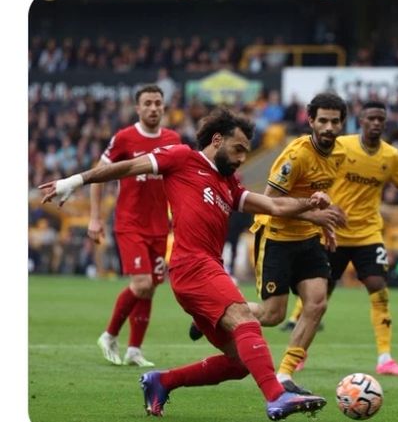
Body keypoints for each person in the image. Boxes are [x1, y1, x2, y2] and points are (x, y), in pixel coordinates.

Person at [39, 109, 330, 420]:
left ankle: (162, 381)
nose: (242, 158)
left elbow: (272, 204)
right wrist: (77, 180)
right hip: (193, 265)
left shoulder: (227, 184)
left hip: (201, 272)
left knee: (239, 363)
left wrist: (309, 205)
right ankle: (277, 395)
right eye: (238, 148)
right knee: (245, 317)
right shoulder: (182, 158)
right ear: (218, 140)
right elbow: (128, 167)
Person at [280, 101, 398, 376]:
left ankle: (385, 358)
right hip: (334, 232)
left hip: (368, 233)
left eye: (381, 118)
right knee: (321, 297)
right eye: (371, 118)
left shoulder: (391, 156)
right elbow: (315, 177)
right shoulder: (341, 147)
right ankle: (298, 354)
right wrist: (319, 207)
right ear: (360, 121)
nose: (376, 123)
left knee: (378, 286)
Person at [246, 92, 348, 395]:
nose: (329, 127)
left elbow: (319, 197)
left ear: (342, 123)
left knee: (317, 302)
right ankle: (221, 312)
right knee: (272, 315)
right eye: (323, 121)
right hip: (276, 237)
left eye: (335, 121)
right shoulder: (297, 154)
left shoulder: (339, 155)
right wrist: (315, 214)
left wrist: (325, 225)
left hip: (307, 240)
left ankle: (285, 375)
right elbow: (269, 201)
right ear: (311, 121)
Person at [91, 84, 181, 367]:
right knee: (141, 283)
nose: (154, 108)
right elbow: (97, 174)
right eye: (148, 103)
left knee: (151, 287)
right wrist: (95, 217)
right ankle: (109, 334)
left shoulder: (173, 139)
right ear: (138, 108)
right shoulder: (124, 138)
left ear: (164, 107)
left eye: (158, 103)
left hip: (159, 226)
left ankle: (134, 350)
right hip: (130, 223)